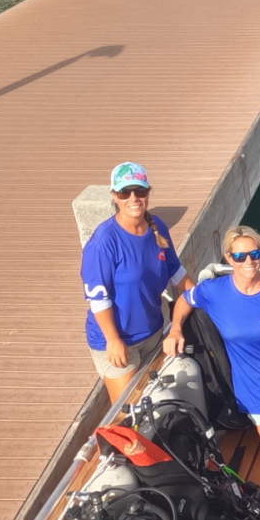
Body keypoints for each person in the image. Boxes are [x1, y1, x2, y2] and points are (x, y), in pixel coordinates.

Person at [164, 226, 260, 486]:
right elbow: (185, 300)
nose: (249, 261)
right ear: (229, 258)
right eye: (240, 256)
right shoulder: (213, 291)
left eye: (254, 254)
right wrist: (175, 329)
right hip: (253, 388)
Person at [81, 162, 192, 405]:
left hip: (154, 331)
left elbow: (175, 270)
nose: (134, 198)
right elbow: (98, 298)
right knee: (128, 412)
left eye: (140, 191)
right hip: (120, 342)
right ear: (115, 197)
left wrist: (201, 297)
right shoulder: (103, 242)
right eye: (125, 193)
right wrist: (113, 339)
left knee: (158, 401)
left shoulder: (158, 227)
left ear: (148, 193)